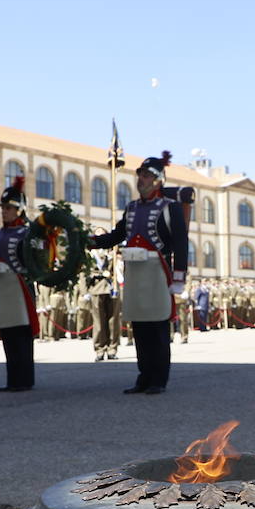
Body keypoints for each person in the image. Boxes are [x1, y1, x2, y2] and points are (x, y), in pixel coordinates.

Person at [89, 152, 187, 394]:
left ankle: (158, 379)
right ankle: (144, 376)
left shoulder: (170, 207)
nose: (140, 180)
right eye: (139, 175)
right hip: (134, 272)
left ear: (157, 180)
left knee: (158, 328)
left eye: (145, 176)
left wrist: (179, 277)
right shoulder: (131, 207)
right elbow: (118, 235)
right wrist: (92, 241)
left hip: (157, 272)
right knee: (140, 327)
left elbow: (181, 243)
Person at [0, 177, 39, 390]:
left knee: (22, 336)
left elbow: (35, 261)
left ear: (19, 209)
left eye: (8, 208)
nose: (4, 211)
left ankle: (25, 379)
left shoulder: (28, 232)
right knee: (7, 334)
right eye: (3, 208)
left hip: (20, 289)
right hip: (2, 287)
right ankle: (12, 379)